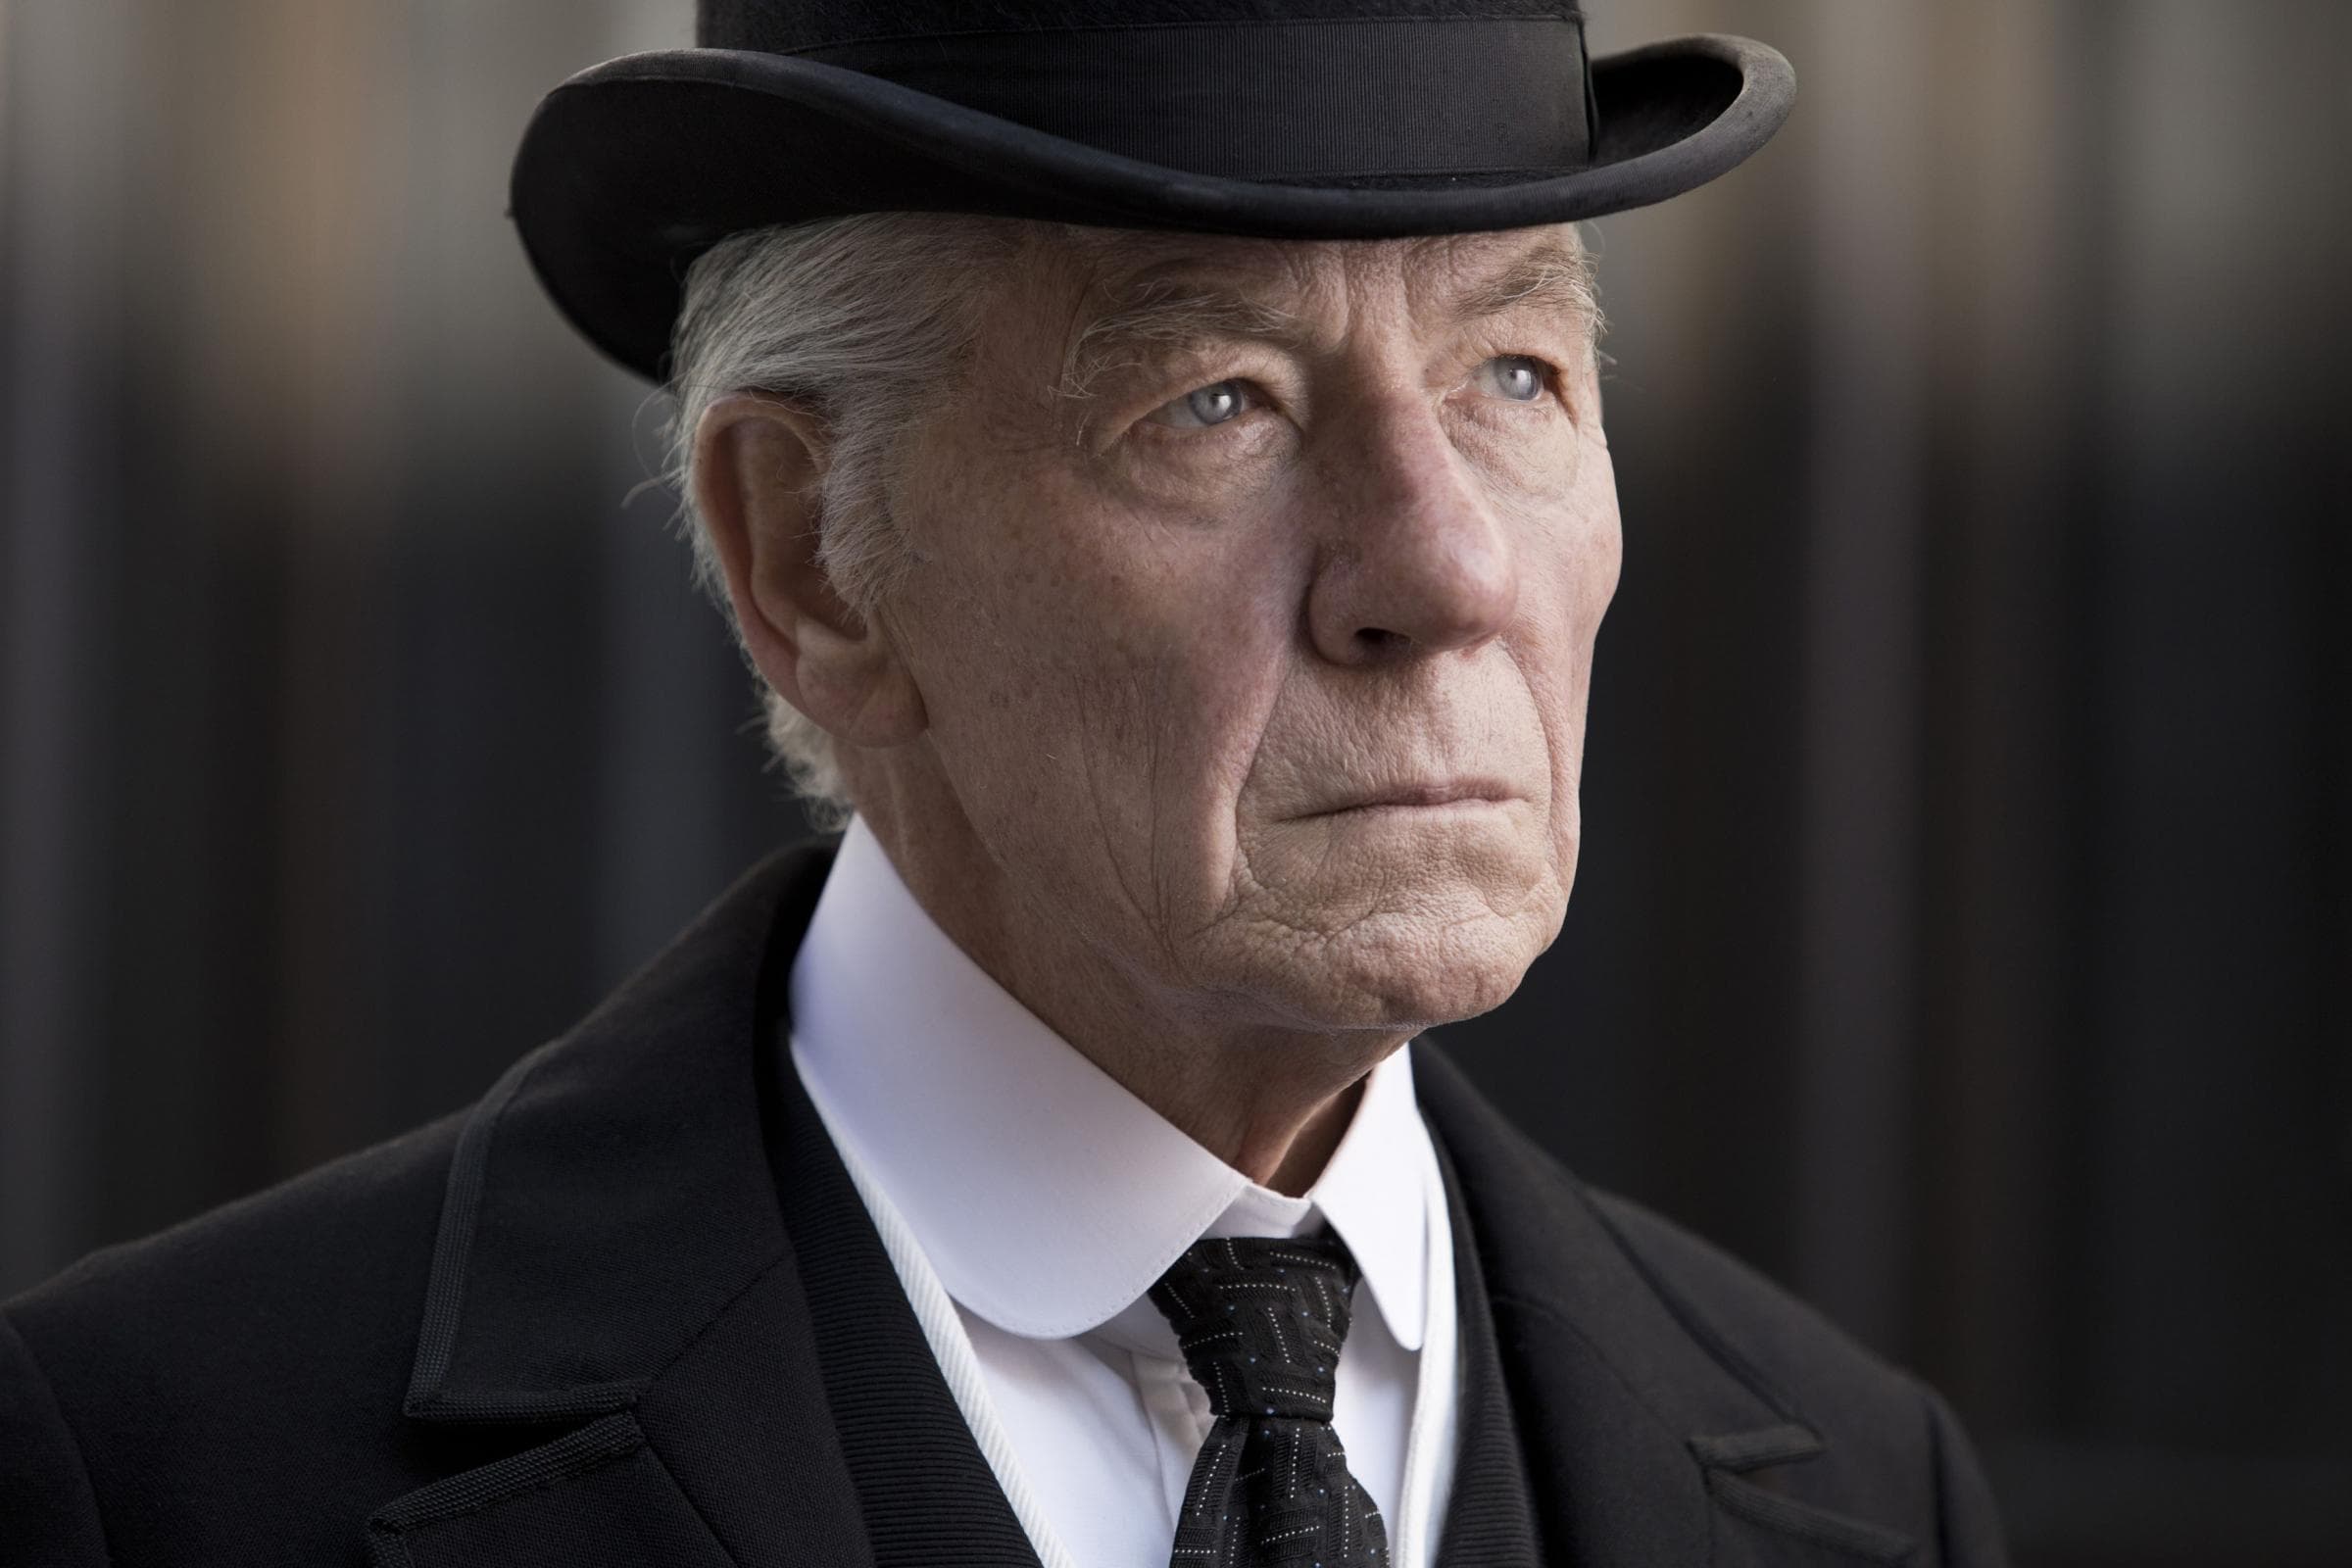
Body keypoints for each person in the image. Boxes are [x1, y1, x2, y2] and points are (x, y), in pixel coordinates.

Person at [0, 3, 2008, 1564]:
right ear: (810, 557)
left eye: (1516, 376)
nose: (1447, 566)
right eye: (1217, 399)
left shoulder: (1863, 1489)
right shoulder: (161, 1471)